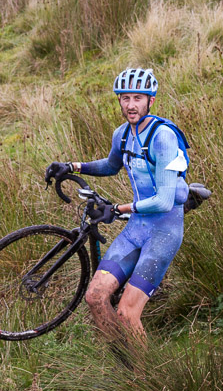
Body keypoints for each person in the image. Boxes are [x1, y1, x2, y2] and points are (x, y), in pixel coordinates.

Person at [44, 68, 188, 351]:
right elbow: (111, 165)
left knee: (127, 313)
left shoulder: (163, 137)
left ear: (150, 101)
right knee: (95, 298)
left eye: (138, 98)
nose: (131, 105)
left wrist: (117, 209)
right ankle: (125, 362)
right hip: (137, 229)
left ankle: (145, 374)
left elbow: (163, 201)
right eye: (125, 98)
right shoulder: (122, 134)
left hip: (164, 232)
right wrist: (73, 166)